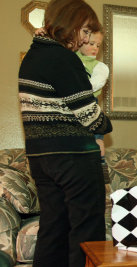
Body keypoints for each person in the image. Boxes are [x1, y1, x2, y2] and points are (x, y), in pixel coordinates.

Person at [18, 0, 112, 266]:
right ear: (69, 24)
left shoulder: (33, 56)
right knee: (87, 230)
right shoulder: (62, 58)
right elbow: (90, 116)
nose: (85, 40)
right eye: (83, 31)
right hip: (73, 155)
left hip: (41, 157)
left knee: (54, 227)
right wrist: (107, 125)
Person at [76, 30, 109, 162]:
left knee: (96, 139)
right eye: (91, 43)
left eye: (98, 45)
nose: (95, 48)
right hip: (73, 106)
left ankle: (100, 165)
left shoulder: (99, 67)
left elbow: (93, 85)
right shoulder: (70, 57)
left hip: (90, 103)